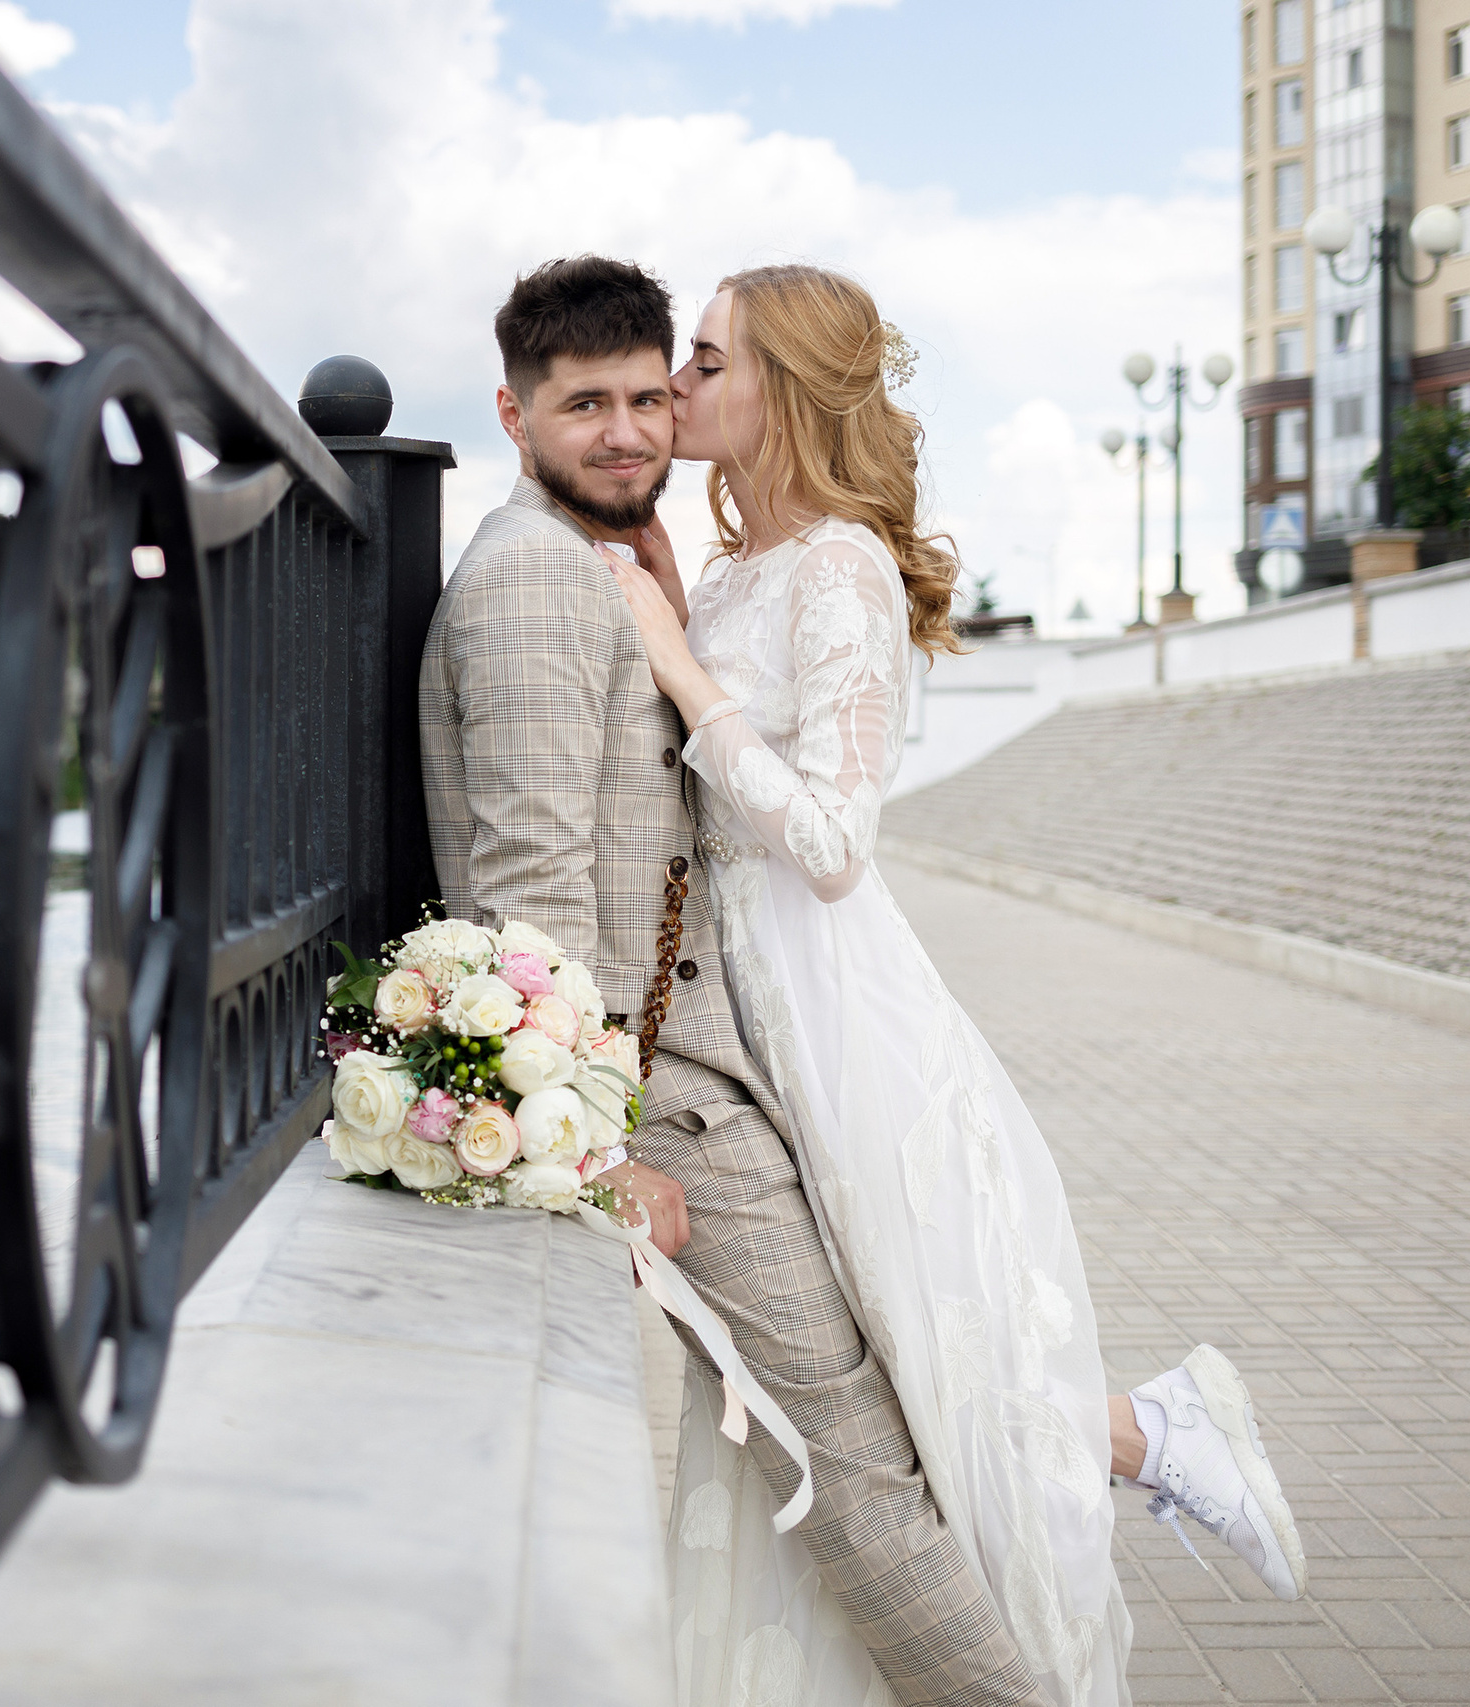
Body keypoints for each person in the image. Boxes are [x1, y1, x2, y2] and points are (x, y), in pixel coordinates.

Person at [600, 262, 1310, 1706]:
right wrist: (686, 618)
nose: (677, 383)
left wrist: (679, 667)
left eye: (709, 360)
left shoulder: (846, 566)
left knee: (922, 1351)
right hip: (743, 1009)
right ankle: (1145, 1433)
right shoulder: (736, 565)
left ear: (783, 396)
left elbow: (833, 842)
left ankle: (1152, 1444)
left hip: (834, 1003)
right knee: (853, 1378)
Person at [419, 255, 1046, 1707]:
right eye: (592, 406)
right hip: (682, 1102)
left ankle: (1134, 1444)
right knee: (862, 1455)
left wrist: (675, 625)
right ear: (513, 415)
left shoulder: (649, 571)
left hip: (757, 1050)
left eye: (664, 387)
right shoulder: (535, 586)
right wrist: (597, 1148)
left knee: (885, 1409)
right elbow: (531, 898)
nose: (638, 427)